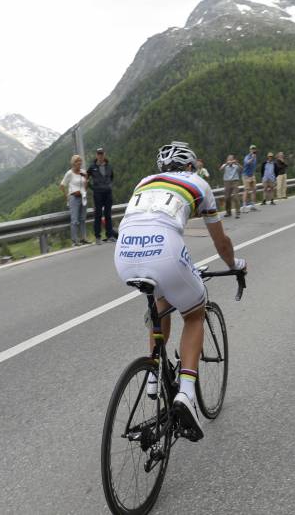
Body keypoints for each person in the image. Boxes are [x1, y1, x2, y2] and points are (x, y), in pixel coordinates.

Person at [114, 142, 246, 441]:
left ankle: (152, 373)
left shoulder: (144, 183)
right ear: (190, 166)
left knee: (161, 300)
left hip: (124, 253)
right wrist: (235, 263)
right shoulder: (199, 183)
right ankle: (186, 392)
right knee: (195, 313)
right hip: (166, 250)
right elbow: (220, 241)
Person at [87, 147, 116, 243]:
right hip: (98, 194)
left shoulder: (109, 166)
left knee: (108, 215)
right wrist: (93, 188)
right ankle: (98, 237)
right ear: (96, 155)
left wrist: (109, 186)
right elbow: (86, 178)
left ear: (104, 154)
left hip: (108, 193)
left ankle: (110, 235)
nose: (100, 155)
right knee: (98, 215)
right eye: (99, 154)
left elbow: (112, 177)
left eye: (102, 154)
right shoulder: (92, 167)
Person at [60, 154, 88, 245]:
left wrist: (86, 180)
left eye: (80, 161)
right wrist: (67, 196)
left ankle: (83, 238)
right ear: (73, 163)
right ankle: (75, 240)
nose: (79, 162)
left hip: (82, 197)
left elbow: (85, 184)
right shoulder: (69, 173)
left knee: (83, 218)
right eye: (77, 161)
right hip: (74, 198)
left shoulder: (83, 172)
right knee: (75, 220)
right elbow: (62, 185)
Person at [220, 154, 241, 218]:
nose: (230, 161)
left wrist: (237, 163)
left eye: (231, 159)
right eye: (229, 159)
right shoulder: (225, 165)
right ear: (227, 160)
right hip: (227, 182)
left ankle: (237, 212)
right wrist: (226, 163)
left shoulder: (235, 165)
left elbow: (241, 169)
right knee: (227, 198)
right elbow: (220, 169)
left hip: (235, 181)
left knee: (236, 196)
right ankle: (228, 212)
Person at [242, 145, 259, 212]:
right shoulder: (247, 157)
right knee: (247, 190)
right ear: (250, 150)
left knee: (254, 189)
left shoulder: (255, 157)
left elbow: (253, 166)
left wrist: (253, 174)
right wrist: (252, 158)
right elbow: (247, 162)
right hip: (246, 175)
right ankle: (244, 207)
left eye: (254, 149)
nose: (253, 150)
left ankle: (252, 206)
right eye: (252, 149)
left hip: (252, 175)